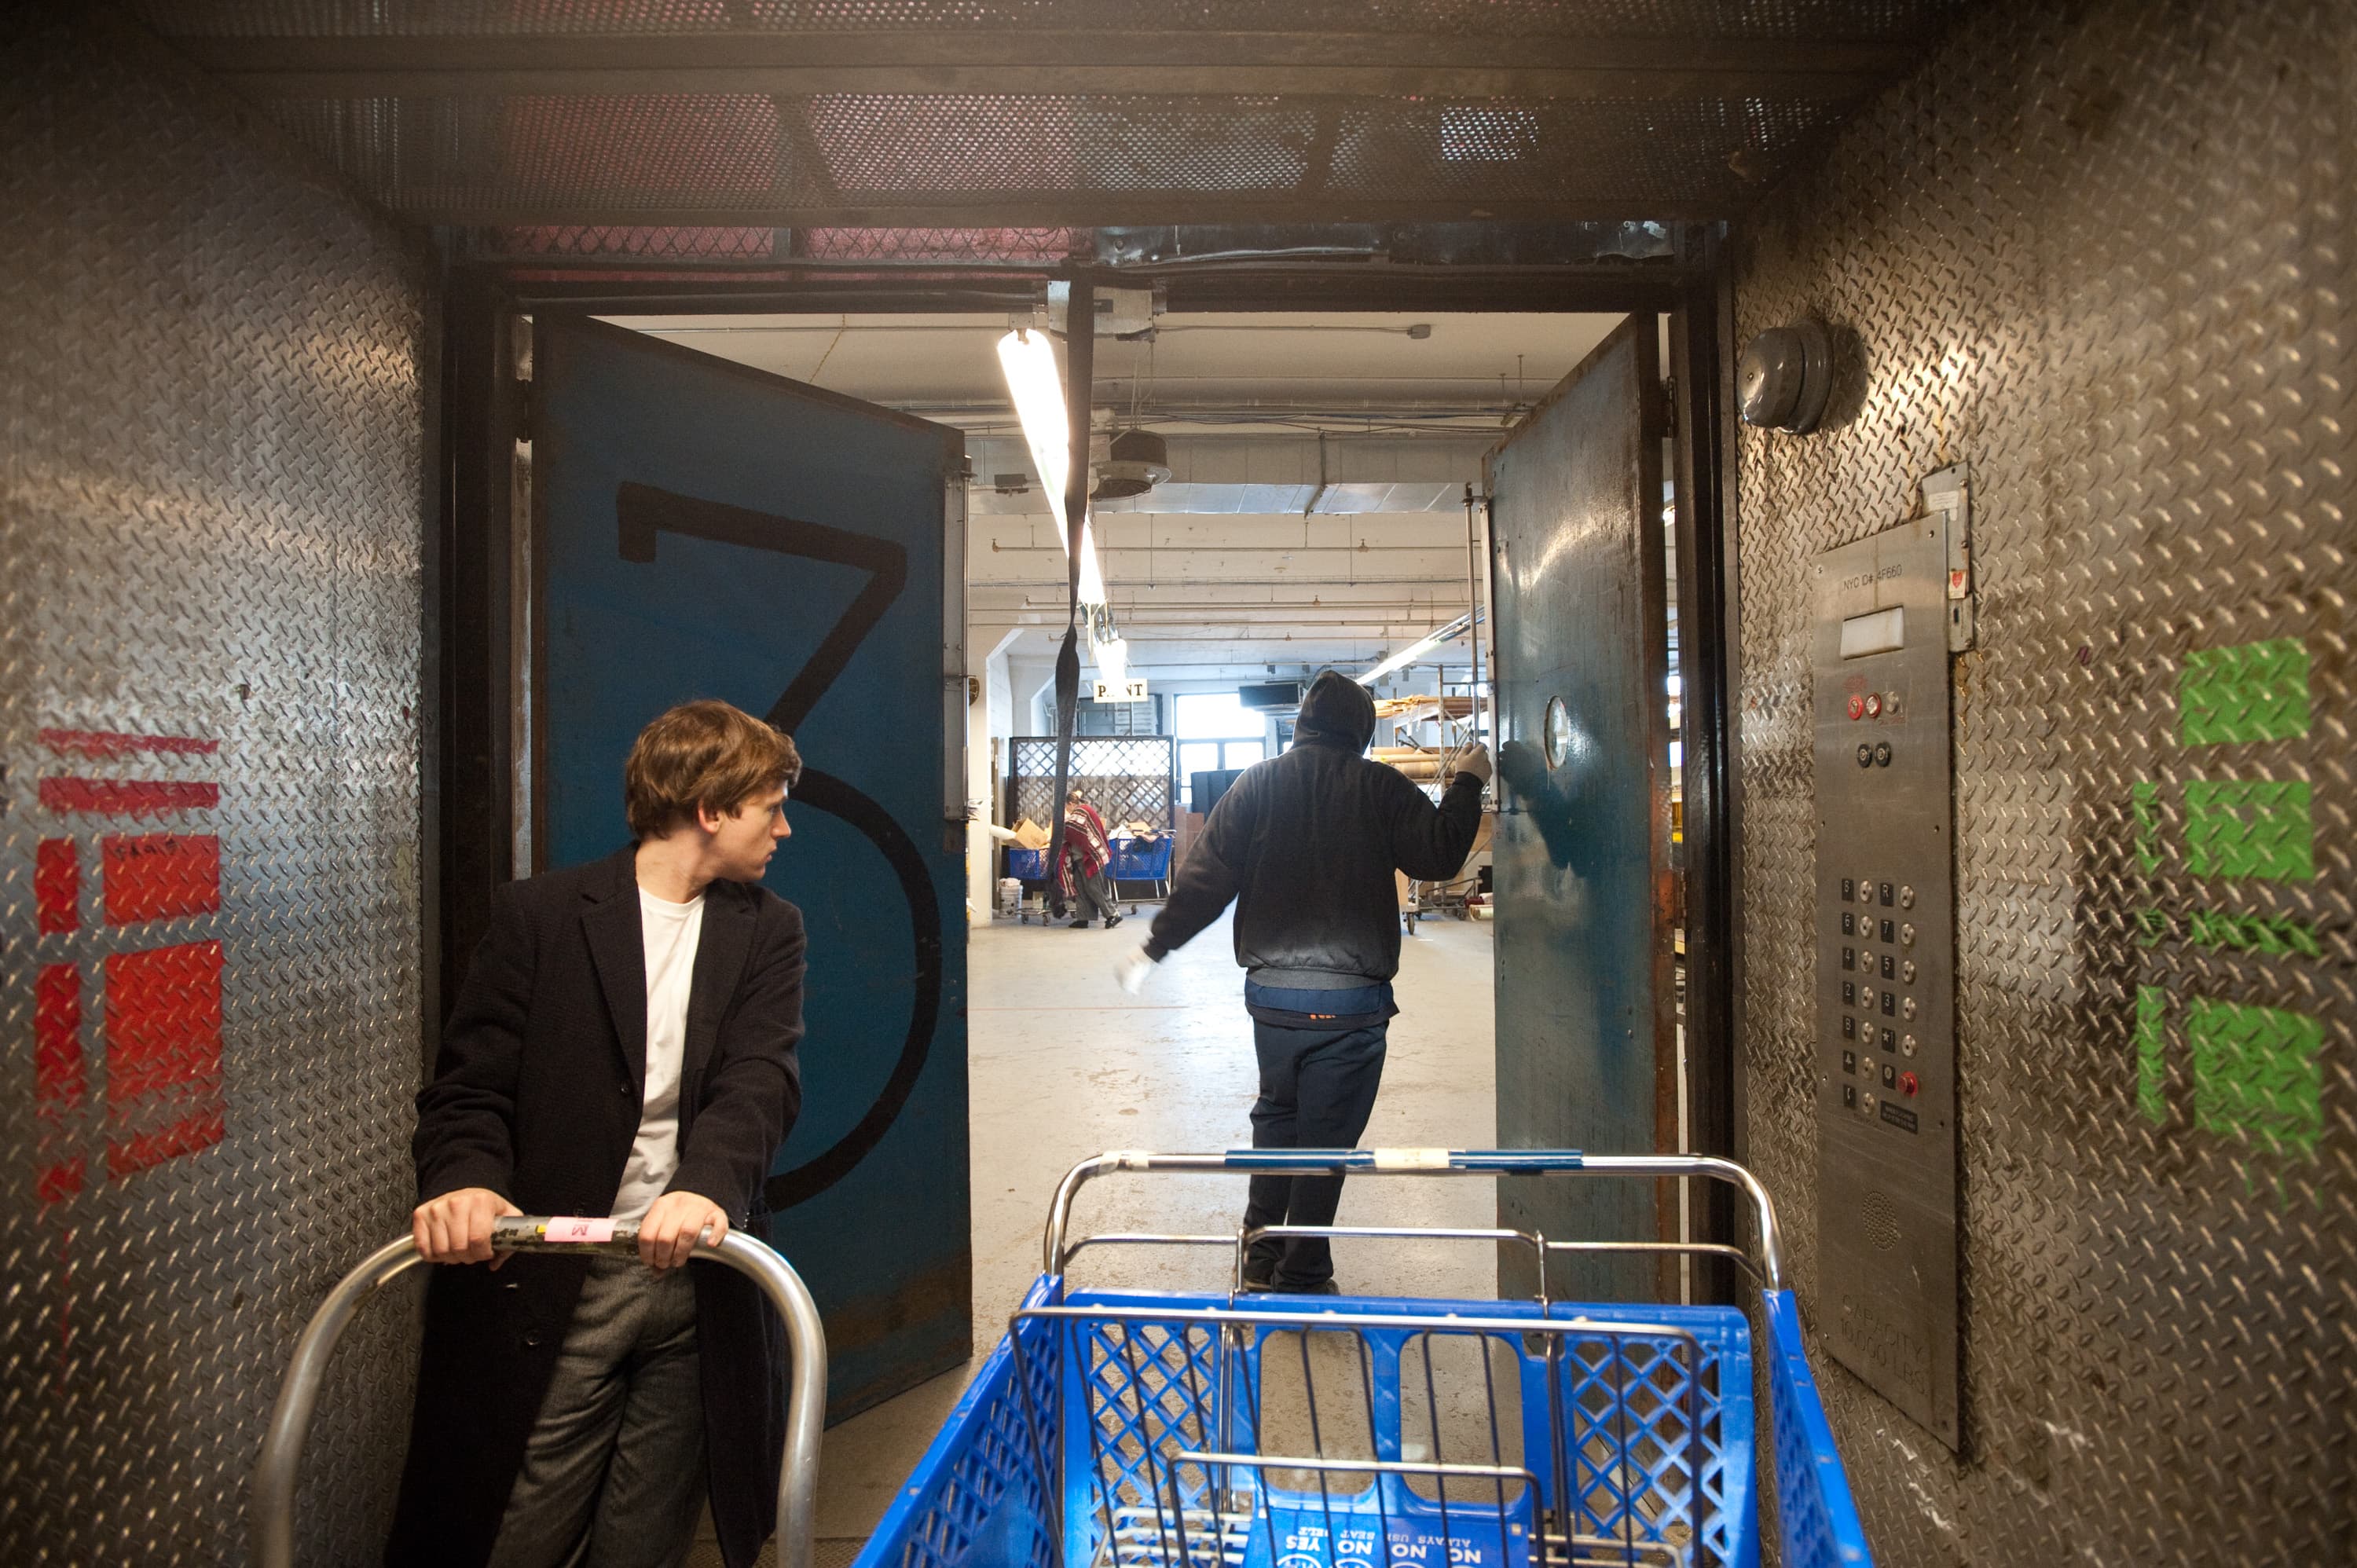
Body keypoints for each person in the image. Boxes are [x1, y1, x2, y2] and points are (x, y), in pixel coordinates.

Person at [390, 699, 808, 1568]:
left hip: (691, 1282)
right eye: (771, 805)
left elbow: (758, 1078)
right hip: (554, 1281)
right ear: (711, 808)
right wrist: (463, 1178)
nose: (784, 828)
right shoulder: (538, 917)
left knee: (644, 1541)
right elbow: (466, 1089)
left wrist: (705, 1186)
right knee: (519, 1532)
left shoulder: (767, 930)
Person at [1113, 672, 1490, 1293]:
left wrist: (1155, 944)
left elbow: (1206, 880)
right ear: (1363, 732)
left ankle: (1260, 1257)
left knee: (1278, 1121)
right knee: (1326, 1141)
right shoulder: (1381, 787)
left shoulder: (1255, 784)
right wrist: (1468, 783)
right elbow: (1440, 855)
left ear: (1300, 726)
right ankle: (1305, 1272)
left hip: (1273, 1001)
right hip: (1351, 1002)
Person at [1057, 788, 1123, 930]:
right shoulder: (1084, 810)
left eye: (1065, 807)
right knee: (1082, 888)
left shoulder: (1081, 810)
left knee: (1094, 887)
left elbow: (1073, 829)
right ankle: (1084, 917)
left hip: (1090, 856)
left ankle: (1113, 914)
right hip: (1081, 856)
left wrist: (1060, 830)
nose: (1066, 811)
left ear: (1070, 803)